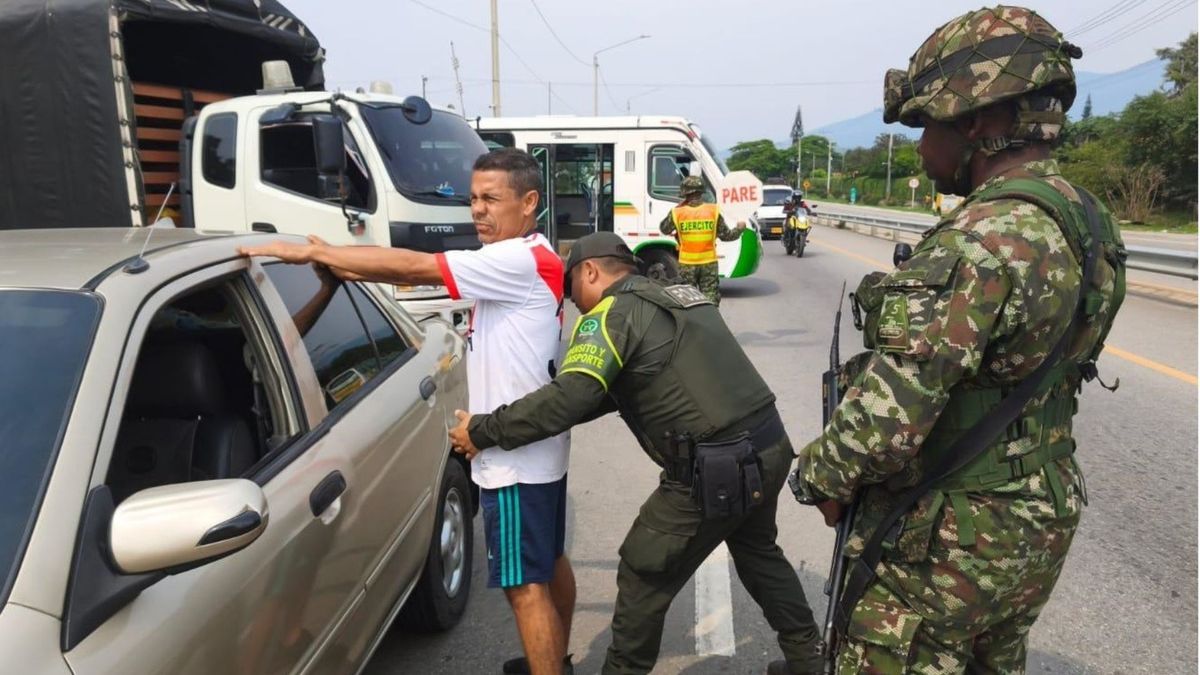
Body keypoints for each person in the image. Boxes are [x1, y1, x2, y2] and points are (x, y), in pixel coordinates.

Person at [790, 6, 1126, 672]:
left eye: (926, 126)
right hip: (1041, 513)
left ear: (975, 122)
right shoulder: (1086, 217)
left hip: (952, 529)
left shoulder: (979, 239)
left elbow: (886, 421)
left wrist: (814, 476)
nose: (920, 149)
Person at [237, 148, 577, 675]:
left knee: (524, 587)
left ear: (529, 202)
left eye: (491, 199)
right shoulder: (534, 253)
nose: (478, 211)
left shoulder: (513, 260)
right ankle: (556, 661)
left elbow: (417, 267)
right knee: (548, 562)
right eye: (473, 199)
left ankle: (548, 666)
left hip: (514, 459)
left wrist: (318, 253)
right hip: (539, 450)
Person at [449, 232, 824, 675]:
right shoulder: (676, 295)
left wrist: (484, 430)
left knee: (643, 571)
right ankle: (809, 660)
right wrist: (539, 414)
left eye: (572, 289)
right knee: (759, 553)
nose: (574, 304)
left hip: (716, 469)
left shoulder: (611, 314)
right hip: (769, 446)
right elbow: (603, 393)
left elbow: (571, 397)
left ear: (590, 272)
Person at [658, 175, 745, 305]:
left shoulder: (677, 212)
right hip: (709, 263)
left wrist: (679, 206)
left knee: (688, 300)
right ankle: (710, 316)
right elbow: (727, 236)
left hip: (687, 263)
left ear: (685, 192)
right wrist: (739, 228)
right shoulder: (713, 210)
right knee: (710, 297)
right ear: (702, 191)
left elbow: (664, 229)